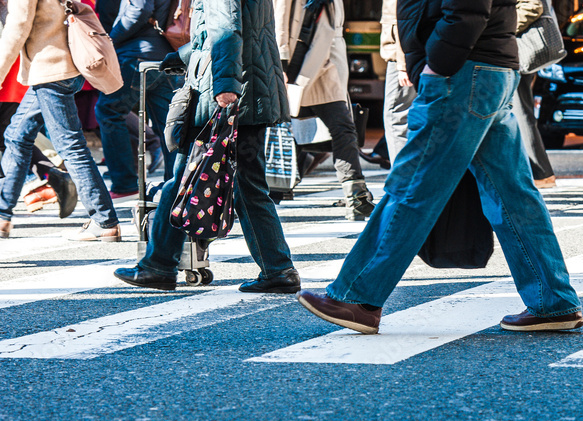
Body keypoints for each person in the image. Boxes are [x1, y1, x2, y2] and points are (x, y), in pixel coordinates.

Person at [296, 0, 583, 334]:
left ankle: (357, 297)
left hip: (463, 72)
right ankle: (554, 300)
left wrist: (438, 63)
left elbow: (468, 9)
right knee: (513, 195)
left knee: (413, 185)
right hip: (487, 65)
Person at [115, 0, 301, 293]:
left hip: (224, 93)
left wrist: (226, 84)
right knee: (247, 186)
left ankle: (158, 266)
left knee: (183, 178)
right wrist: (184, 55)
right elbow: (232, 30)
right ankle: (277, 269)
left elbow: (226, 30)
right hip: (253, 89)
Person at [0, 0, 121, 241]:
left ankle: (104, 220)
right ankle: (2, 216)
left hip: (52, 69)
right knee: (17, 135)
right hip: (59, 66)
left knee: (70, 146)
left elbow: (18, 26)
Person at [275, 0, 375, 220]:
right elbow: (280, 17)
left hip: (326, 60)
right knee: (285, 127)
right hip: (302, 60)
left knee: (343, 127)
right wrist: (280, 63)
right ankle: (272, 190)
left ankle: (356, 196)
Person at [94, 0, 178, 201]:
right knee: (168, 125)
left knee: (108, 111)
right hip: (163, 53)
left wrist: (111, 39)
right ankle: (175, 186)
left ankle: (125, 184)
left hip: (138, 52)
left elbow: (140, 8)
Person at [511, 0, 556, 188]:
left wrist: (503, 27)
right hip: (511, 48)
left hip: (517, 50)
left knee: (521, 110)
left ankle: (541, 173)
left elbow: (533, 6)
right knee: (516, 110)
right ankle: (537, 172)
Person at [378, 0, 415, 163]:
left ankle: (402, 182)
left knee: (396, 116)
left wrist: (403, 63)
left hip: (402, 54)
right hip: (407, 52)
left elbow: (406, 15)